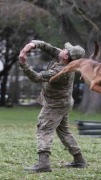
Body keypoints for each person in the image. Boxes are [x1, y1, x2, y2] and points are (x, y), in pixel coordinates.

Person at [18, 40, 86, 172]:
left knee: (44, 129)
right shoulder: (64, 58)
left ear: (66, 57)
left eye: (65, 50)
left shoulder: (61, 71)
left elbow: (37, 77)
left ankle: (43, 164)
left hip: (56, 105)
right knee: (64, 131)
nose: (62, 49)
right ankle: (79, 160)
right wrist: (32, 45)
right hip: (64, 102)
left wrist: (23, 63)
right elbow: (47, 47)